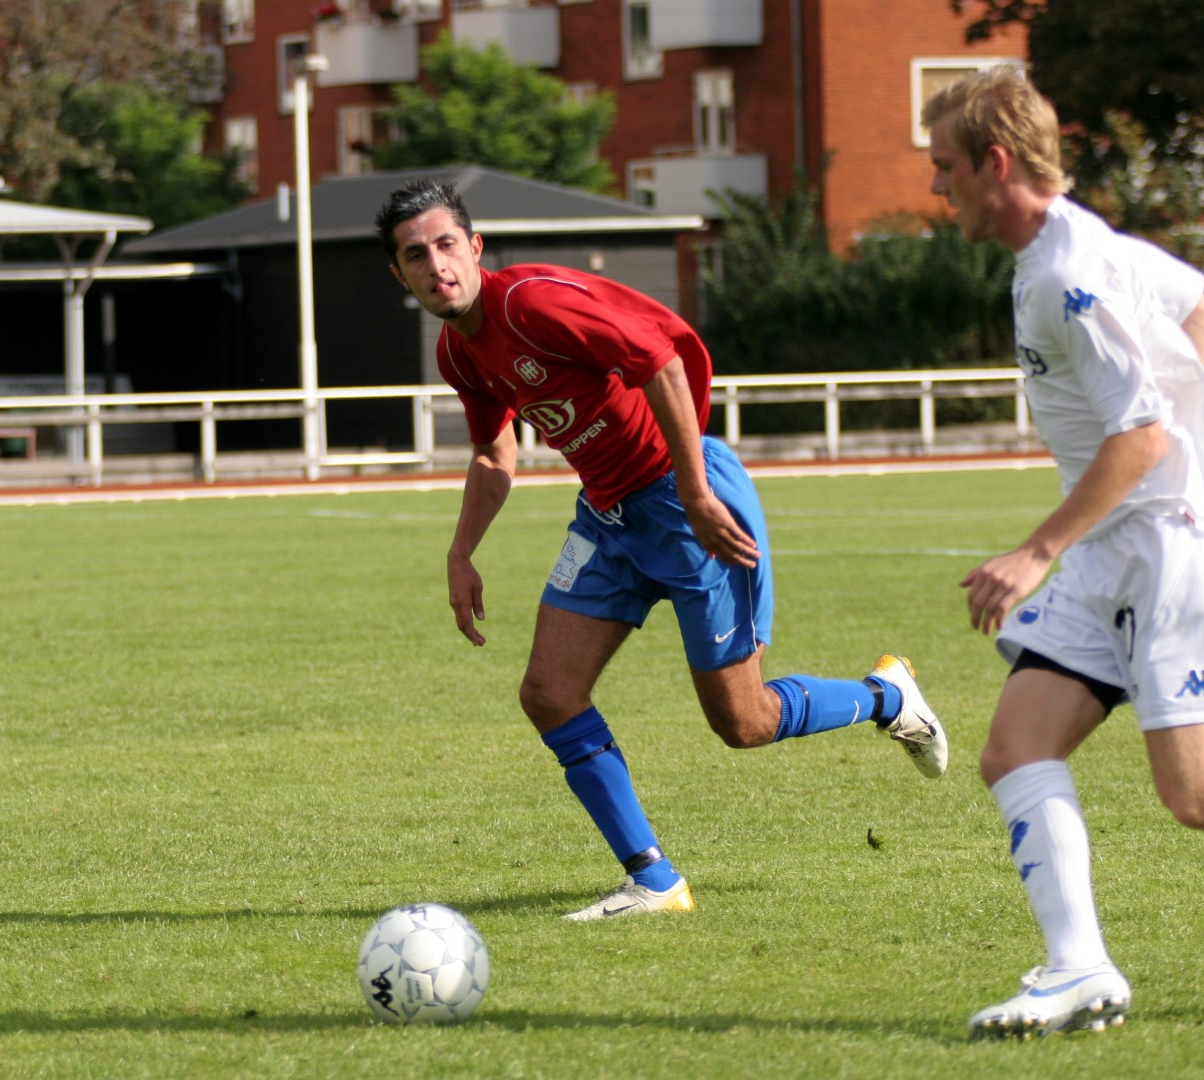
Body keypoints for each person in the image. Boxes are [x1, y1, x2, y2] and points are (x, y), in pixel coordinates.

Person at [374, 179, 947, 920]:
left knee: (743, 723)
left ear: (474, 246)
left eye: (446, 245)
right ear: (400, 275)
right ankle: (653, 879)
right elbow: (493, 451)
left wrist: (698, 494)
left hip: (683, 501)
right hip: (607, 518)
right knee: (548, 693)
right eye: (416, 256)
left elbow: (660, 361)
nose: (436, 265)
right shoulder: (459, 352)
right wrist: (461, 552)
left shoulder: (531, 305)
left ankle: (887, 697)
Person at [923, 65, 1204, 1038]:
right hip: (1112, 554)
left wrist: (1035, 552)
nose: (936, 187)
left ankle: (1078, 967)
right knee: (1014, 750)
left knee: (1198, 795)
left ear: (996, 164)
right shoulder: (1077, 246)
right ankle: (1078, 970)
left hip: (1169, 554)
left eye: (946, 166)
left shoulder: (1068, 274)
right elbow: (1198, 306)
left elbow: (1142, 436)